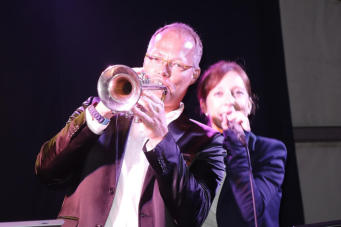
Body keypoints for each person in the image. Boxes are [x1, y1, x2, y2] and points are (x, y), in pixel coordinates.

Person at [35, 23, 225, 227]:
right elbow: (47, 171)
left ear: (194, 75)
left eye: (178, 64)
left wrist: (161, 138)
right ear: (145, 60)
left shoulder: (208, 141)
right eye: (156, 58)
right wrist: (102, 111)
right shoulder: (95, 110)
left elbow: (193, 215)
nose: (164, 71)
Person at [198, 60, 287, 227]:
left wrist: (239, 144)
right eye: (218, 93)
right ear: (204, 105)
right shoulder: (194, 151)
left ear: (249, 103)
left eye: (238, 93)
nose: (229, 100)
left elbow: (251, 214)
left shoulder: (270, 151)